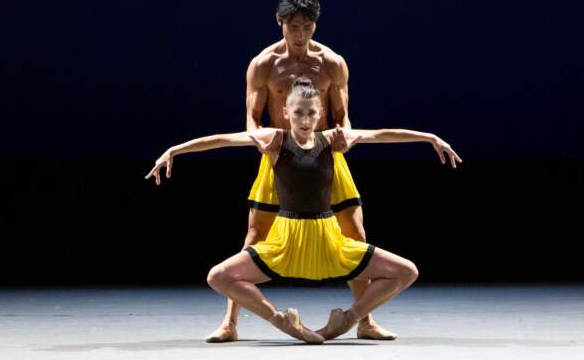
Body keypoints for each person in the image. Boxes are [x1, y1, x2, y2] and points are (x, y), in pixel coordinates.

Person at [146, 77, 461, 343]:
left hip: (328, 241)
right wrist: (175, 150)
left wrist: (429, 137)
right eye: (299, 113)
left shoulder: (330, 139)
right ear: (286, 112)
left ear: (320, 112)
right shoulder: (274, 139)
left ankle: (349, 320)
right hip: (286, 242)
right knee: (218, 276)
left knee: (407, 271)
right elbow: (224, 140)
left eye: (311, 113)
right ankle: (281, 321)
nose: (306, 119)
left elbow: (381, 135)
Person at [207, 0, 397, 343]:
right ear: (280, 22)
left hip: (325, 155)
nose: (300, 34)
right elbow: (251, 118)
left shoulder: (331, 62)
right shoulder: (264, 64)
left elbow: (343, 117)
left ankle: (364, 320)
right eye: (294, 26)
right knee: (255, 234)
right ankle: (231, 322)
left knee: (355, 232)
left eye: (307, 26)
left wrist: (345, 136)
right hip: (278, 154)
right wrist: (262, 142)